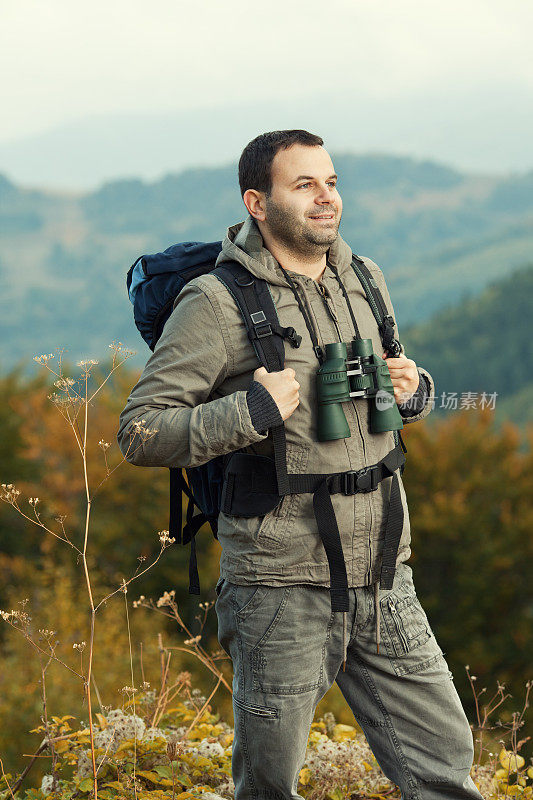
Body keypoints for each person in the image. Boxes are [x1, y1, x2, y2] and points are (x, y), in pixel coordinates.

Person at [117, 130, 483, 799]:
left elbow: (381, 394)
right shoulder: (216, 302)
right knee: (269, 785)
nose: (325, 199)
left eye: (332, 182)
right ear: (257, 202)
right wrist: (248, 411)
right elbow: (140, 431)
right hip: (278, 585)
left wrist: (416, 392)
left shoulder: (364, 277)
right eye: (304, 184)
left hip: (383, 573)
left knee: (443, 768)